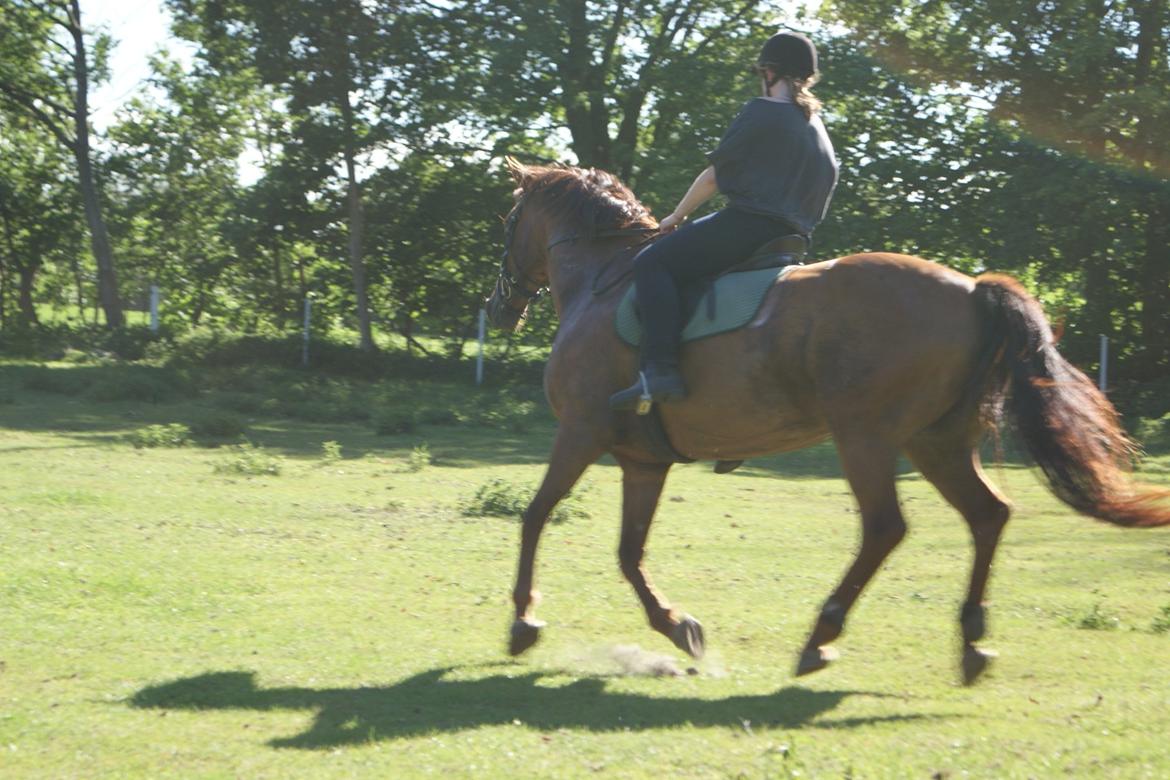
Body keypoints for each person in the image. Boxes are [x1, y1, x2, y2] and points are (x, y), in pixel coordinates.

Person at [609, 30, 839, 413]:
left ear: (770, 71)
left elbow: (715, 176)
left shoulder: (762, 112)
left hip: (749, 225)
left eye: (761, 72)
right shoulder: (817, 130)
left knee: (653, 263)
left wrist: (676, 216)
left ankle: (659, 370)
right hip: (794, 240)